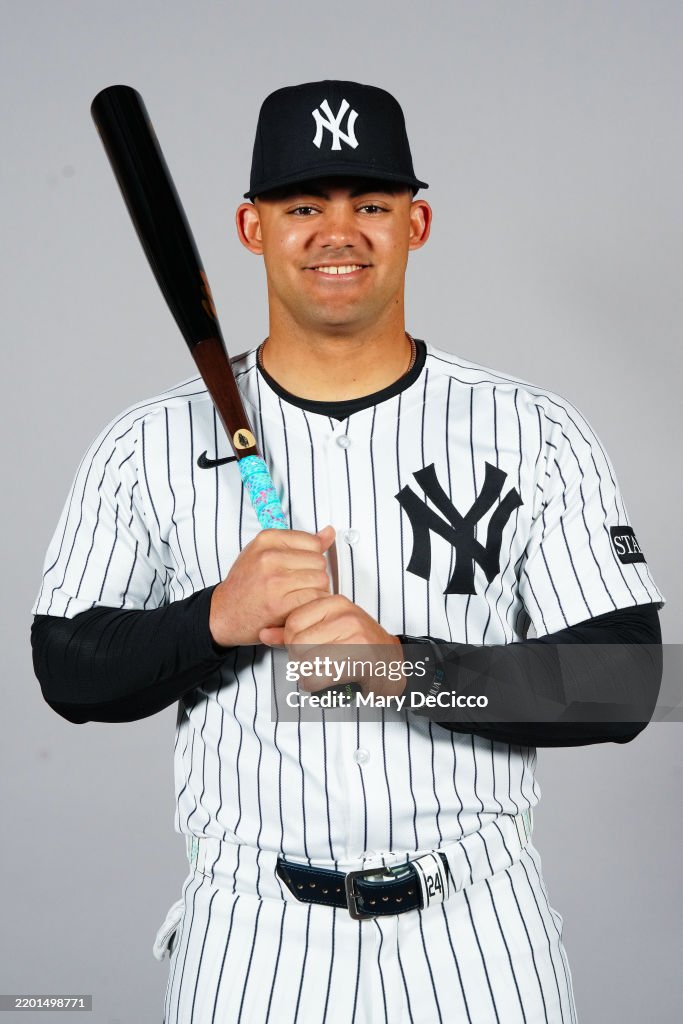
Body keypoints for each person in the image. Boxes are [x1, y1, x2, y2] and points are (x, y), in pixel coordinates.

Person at [32, 80, 664, 1023]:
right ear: (252, 228)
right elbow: (65, 669)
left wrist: (404, 671)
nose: (339, 231)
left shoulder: (534, 431)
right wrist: (214, 617)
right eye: (304, 206)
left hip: (477, 927)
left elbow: (629, 685)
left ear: (417, 222)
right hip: (250, 930)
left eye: (370, 203)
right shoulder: (147, 442)